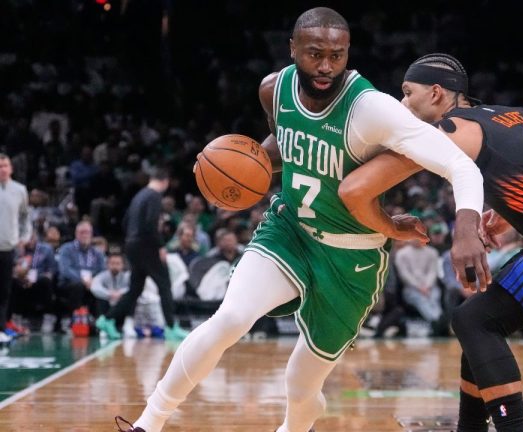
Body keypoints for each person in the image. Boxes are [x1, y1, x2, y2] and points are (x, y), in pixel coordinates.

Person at [115, 8, 487, 432]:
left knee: (300, 384)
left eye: (337, 55)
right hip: (290, 230)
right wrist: (242, 170)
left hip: (351, 258)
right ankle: (149, 422)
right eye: (314, 54)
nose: (326, 66)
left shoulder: (374, 109)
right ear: (291, 49)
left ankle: (297, 426)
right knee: (232, 317)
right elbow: (283, 147)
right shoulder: (273, 90)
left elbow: (461, 165)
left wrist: (466, 227)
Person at [338, 53, 523, 432]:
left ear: (435, 93)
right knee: (479, 324)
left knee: (474, 320)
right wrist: (515, 219)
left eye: (406, 93)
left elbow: (359, 186)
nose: (402, 104)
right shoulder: (518, 115)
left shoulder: (452, 128)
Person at [96, 168, 188, 341]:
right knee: (164, 284)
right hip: (147, 245)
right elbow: (150, 223)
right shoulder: (154, 196)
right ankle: (171, 327)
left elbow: (125, 222)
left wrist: (132, 239)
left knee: (135, 289)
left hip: (132, 244)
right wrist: (160, 246)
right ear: (165, 181)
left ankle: (107, 319)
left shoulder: (139, 196)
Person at [0, 153, 32, 343]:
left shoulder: (20, 190)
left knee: (4, 291)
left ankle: (1, 328)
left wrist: (24, 237)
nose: (2, 169)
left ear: (10, 168)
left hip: (8, 247)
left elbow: (25, 218)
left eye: (5, 166)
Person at [56, 220, 106, 330]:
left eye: (87, 232)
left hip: (91, 283)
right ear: (76, 233)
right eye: (82, 232)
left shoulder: (97, 252)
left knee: (100, 288)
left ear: (91, 234)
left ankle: (99, 321)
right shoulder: (66, 249)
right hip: (68, 283)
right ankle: (74, 320)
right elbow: (65, 270)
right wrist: (83, 280)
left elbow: (102, 271)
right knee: (77, 286)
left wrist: (93, 281)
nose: (84, 235)